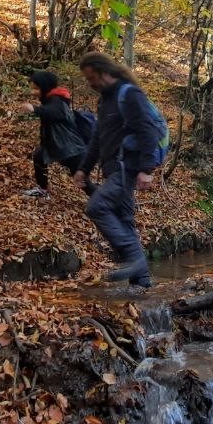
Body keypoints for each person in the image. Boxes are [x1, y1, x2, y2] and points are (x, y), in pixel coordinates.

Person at [73, 52, 163, 288]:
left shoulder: (129, 94)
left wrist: (146, 169)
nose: (89, 83)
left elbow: (149, 131)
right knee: (125, 221)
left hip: (128, 168)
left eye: (91, 77)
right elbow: (97, 138)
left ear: (104, 72)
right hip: (112, 169)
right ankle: (141, 282)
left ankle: (134, 259)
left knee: (96, 206)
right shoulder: (104, 101)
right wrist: (84, 168)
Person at [20, 71, 93, 197]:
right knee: (39, 155)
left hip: (71, 150)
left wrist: (35, 109)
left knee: (83, 183)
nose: (34, 92)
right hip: (60, 146)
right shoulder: (52, 98)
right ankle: (43, 189)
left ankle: (109, 203)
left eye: (36, 89)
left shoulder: (56, 100)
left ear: (44, 86)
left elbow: (55, 112)